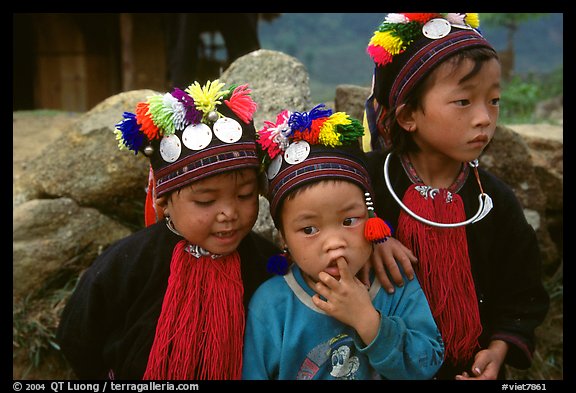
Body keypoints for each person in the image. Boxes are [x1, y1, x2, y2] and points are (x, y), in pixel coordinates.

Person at [363, 13, 550, 380]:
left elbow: (521, 293)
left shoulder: (494, 202)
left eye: (493, 100)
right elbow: (319, 221)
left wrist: (497, 351)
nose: (485, 118)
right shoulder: (364, 181)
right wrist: (372, 236)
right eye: (463, 102)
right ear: (408, 115)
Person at [56, 79, 280, 380]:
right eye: (205, 200)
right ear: (165, 200)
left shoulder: (267, 262)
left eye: (244, 195)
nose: (229, 213)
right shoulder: (127, 264)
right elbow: (78, 334)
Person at [241, 104, 444, 380]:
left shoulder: (393, 284)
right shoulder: (271, 305)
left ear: (370, 216)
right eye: (310, 229)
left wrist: (369, 321)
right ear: (283, 238)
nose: (335, 243)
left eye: (349, 221)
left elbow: (428, 363)